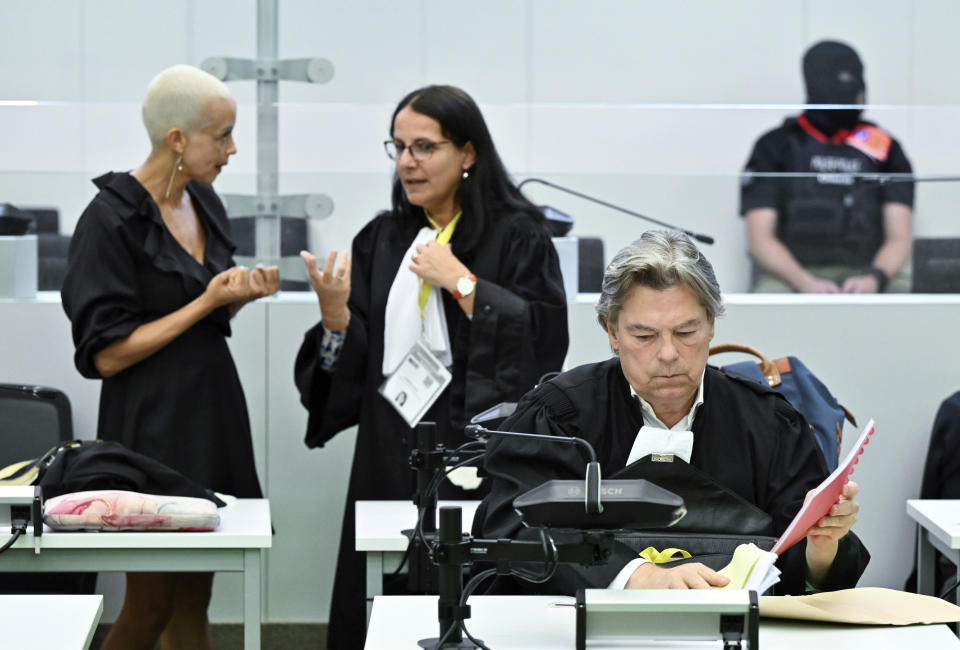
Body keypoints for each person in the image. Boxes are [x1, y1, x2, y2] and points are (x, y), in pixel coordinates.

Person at [295, 84, 569, 648]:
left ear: (467, 154)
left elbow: (543, 341)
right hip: (392, 441)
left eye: (424, 147)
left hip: (475, 446)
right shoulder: (382, 238)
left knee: (467, 592)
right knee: (382, 588)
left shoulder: (518, 235)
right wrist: (335, 320)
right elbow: (354, 362)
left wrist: (463, 282)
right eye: (397, 147)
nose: (407, 162)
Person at [476, 230, 869, 596]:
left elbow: (811, 581)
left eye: (686, 333)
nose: (667, 354)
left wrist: (822, 549)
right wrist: (639, 575)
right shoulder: (559, 415)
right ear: (611, 331)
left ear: (711, 325)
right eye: (644, 336)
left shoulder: (770, 424)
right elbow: (510, 529)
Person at [61, 64, 278, 650]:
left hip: (210, 412)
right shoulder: (109, 220)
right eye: (222, 135)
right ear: (177, 138)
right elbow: (106, 356)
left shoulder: (204, 202)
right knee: (151, 598)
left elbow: (203, 315)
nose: (232, 150)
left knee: (194, 594)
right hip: (150, 424)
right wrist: (207, 299)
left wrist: (235, 299)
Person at [740, 40, 914, 293]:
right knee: (768, 297)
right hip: (793, 276)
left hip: (868, 272)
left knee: (910, 297)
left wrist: (874, 279)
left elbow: (900, 237)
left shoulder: (885, 147)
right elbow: (760, 238)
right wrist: (805, 283)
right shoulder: (776, 145)